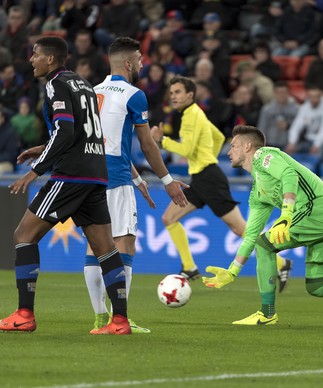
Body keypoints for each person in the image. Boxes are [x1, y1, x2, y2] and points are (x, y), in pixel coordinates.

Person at [0, 36, 131, 335]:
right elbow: (82, 131)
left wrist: (35, 171)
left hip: (71, 175)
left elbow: (65, 131)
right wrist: (43, 147)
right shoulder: (83, 84)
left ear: (50, 59)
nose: (32, 59)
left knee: (23, 235)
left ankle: (24, 314)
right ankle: (119, 321)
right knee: (105, 248)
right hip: (96, 172)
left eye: (36, 54)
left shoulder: (55, 85)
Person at [201, 125, 323, 326]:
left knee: (265, 245)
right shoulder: (258, 192)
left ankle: (267, 313)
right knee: (318, 286)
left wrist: (286, 213)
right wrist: (232, 271)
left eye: (233, 146)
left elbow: (289, 174)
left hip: (316, 210)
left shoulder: (263, 155)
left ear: (247, 147)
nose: (228, 152)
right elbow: (250, 235)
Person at [84, 37, 189, 334]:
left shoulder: (92, 93)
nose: (143, 64)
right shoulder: (134, 95)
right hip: (115, 181)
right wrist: (167, 181)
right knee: (124, 243)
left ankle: (98, 318)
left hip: (90, 179)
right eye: (141, 60)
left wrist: (139, 178)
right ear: (128, 64)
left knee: (95, 247)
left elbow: (103, 142)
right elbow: (146, 144)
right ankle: (120, 319)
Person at [151, 76, 292, 290]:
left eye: (178, 92)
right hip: (200, 177)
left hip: (209, 178)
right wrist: (207, 155)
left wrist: (162, 141)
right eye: (171, 93)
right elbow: (217, 136)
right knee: (169, 218)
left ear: (190, 94)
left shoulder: (190, 116)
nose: (173, 96)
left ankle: (281, 263)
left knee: (241, 229)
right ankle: (189, 267)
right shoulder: (197, 113)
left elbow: (187, 150)